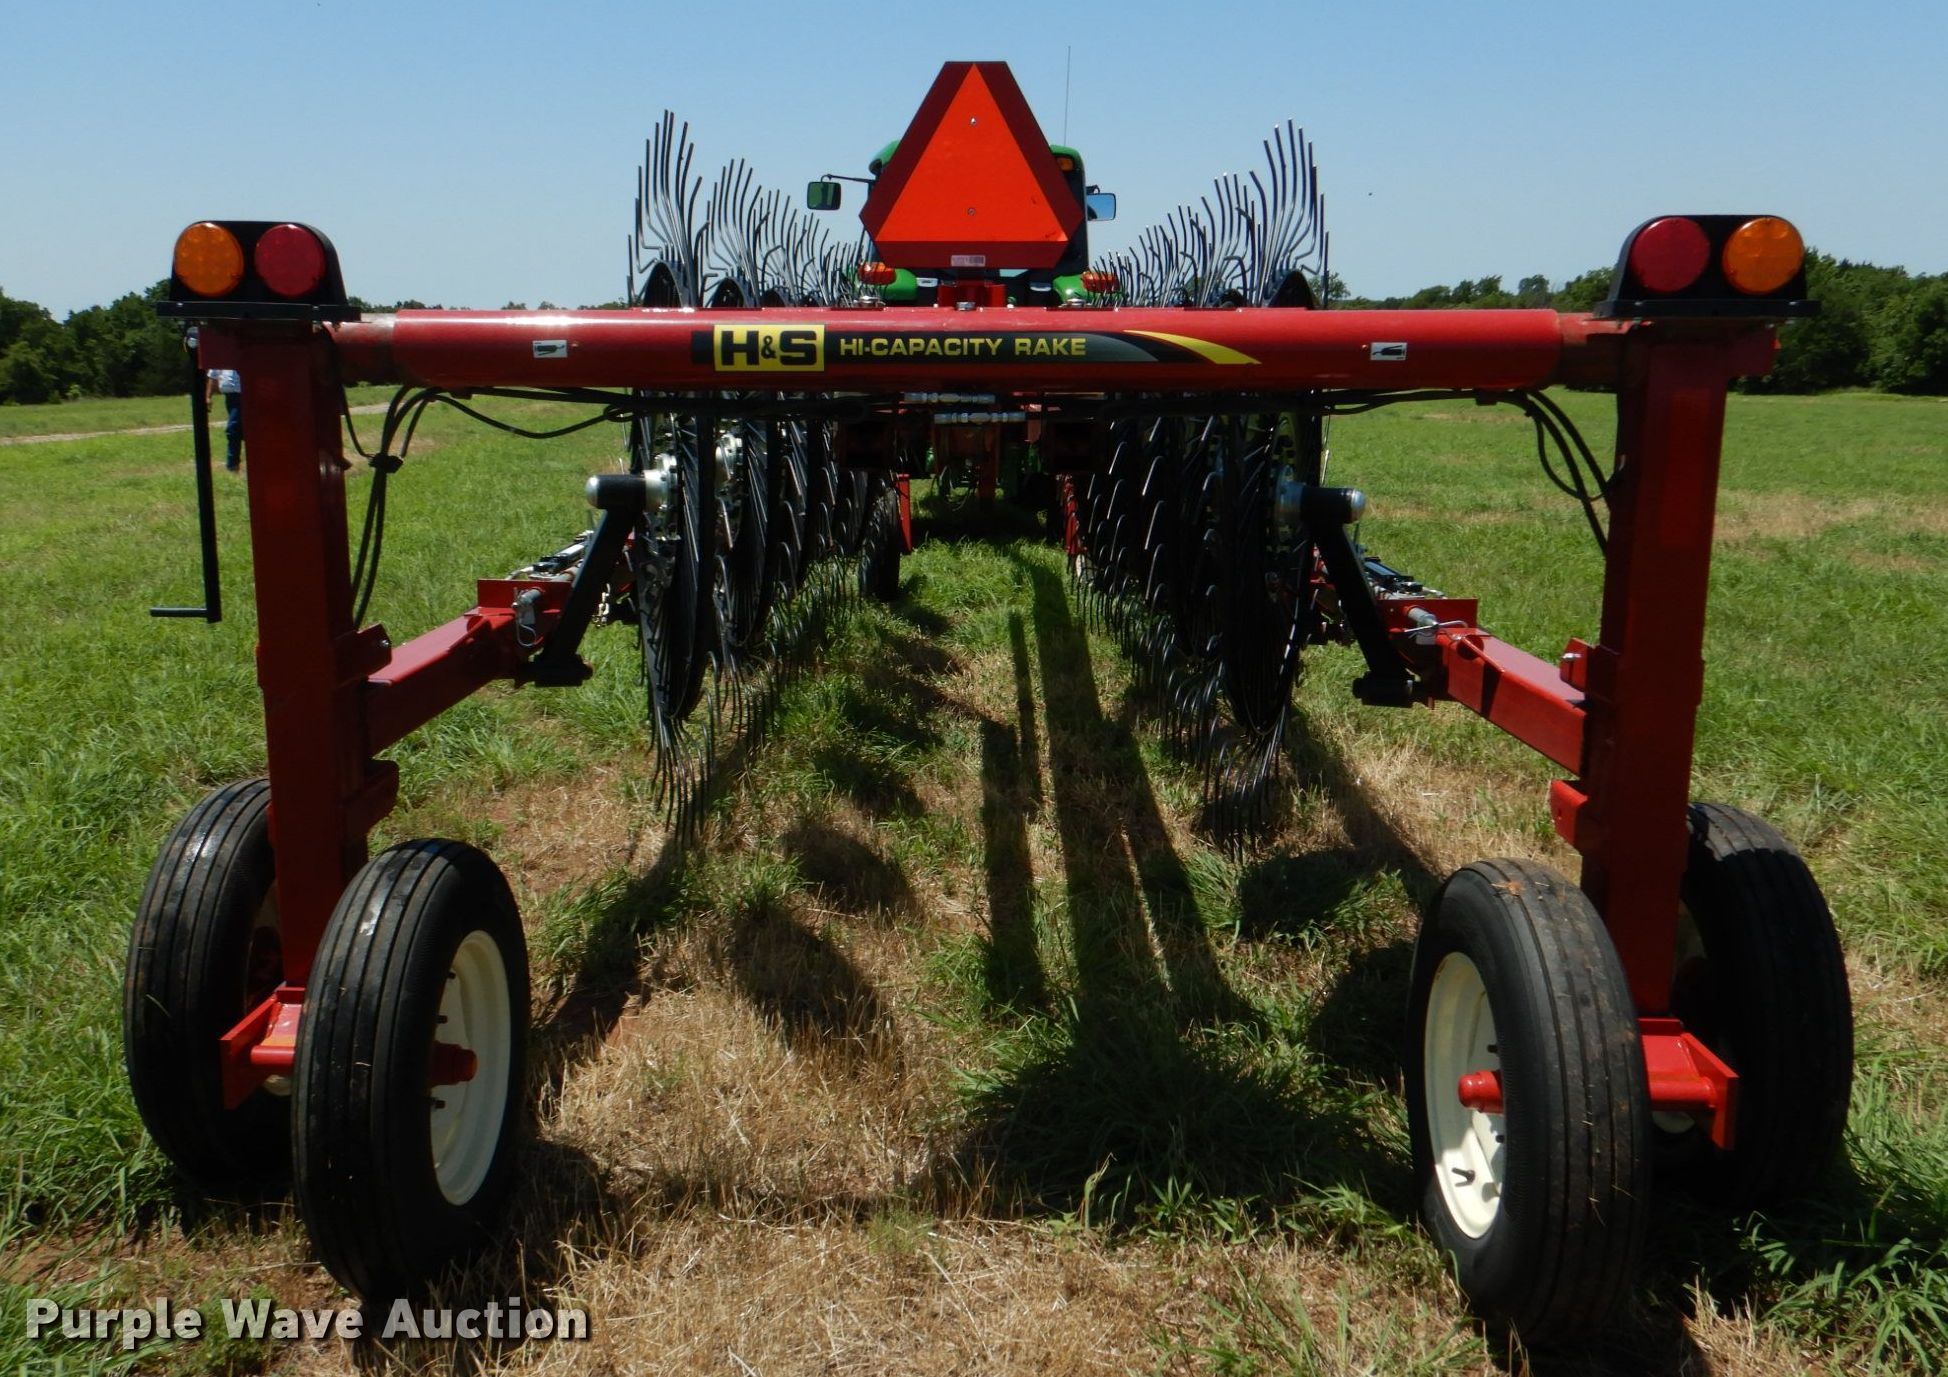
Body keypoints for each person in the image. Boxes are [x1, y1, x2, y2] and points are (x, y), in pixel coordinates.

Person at [204, 366, 243, 471]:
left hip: (243, 396)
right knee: (238, 429)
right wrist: (208, 397)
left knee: (233, 428)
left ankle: (232, 465)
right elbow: (213, 376)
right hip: (230, 398)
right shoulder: (221, 358)